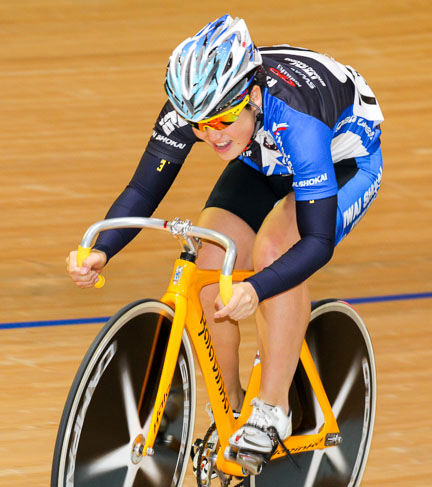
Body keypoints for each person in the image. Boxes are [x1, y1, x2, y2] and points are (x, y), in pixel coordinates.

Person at [67, 14, 383, 466]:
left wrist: (257, 288)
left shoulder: (297, 119)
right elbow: (143, 189)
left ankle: (273, 411)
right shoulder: (198, 106)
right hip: (263, 156)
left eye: (221, 120)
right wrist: (103, 249)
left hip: (341, 162)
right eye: (199, 125)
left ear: (252, 96)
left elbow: (315, 243)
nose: (211, 135)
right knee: (211, 253)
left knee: (275, 249)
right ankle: (233, 409)